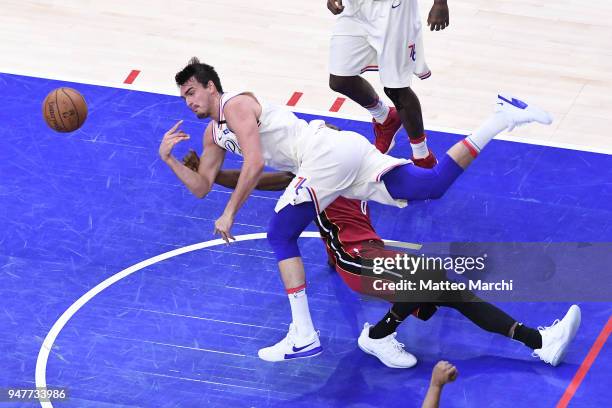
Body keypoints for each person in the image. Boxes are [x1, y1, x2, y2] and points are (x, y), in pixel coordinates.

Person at [159, 57, 553, 362]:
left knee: (280, 233)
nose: (189, 100)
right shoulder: (214, 133)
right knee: (431, 186)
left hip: (323, 155)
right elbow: (201, 187)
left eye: (192, 91)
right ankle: (501, 116)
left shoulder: (236, 105)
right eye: (183, 97)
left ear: (212, 86)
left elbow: (256, 163)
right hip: (341, 156)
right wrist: (171, 160)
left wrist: (230, 213)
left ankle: (304, 335)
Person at [182, 137, 581, 369]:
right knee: (434, 278)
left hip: (373, 250)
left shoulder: (353, 168)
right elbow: (260, 182)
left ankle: (537, 342)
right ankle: (378, 334)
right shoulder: (305, 178)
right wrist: (212, 174)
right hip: (354, 260)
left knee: (451, 292)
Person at [326, 0, 449, 166]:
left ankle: (423, 157)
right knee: (339, 80)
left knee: (396, 88)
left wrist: (440, 3)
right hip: (355, 9)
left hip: (395, 11)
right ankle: (385, 118)